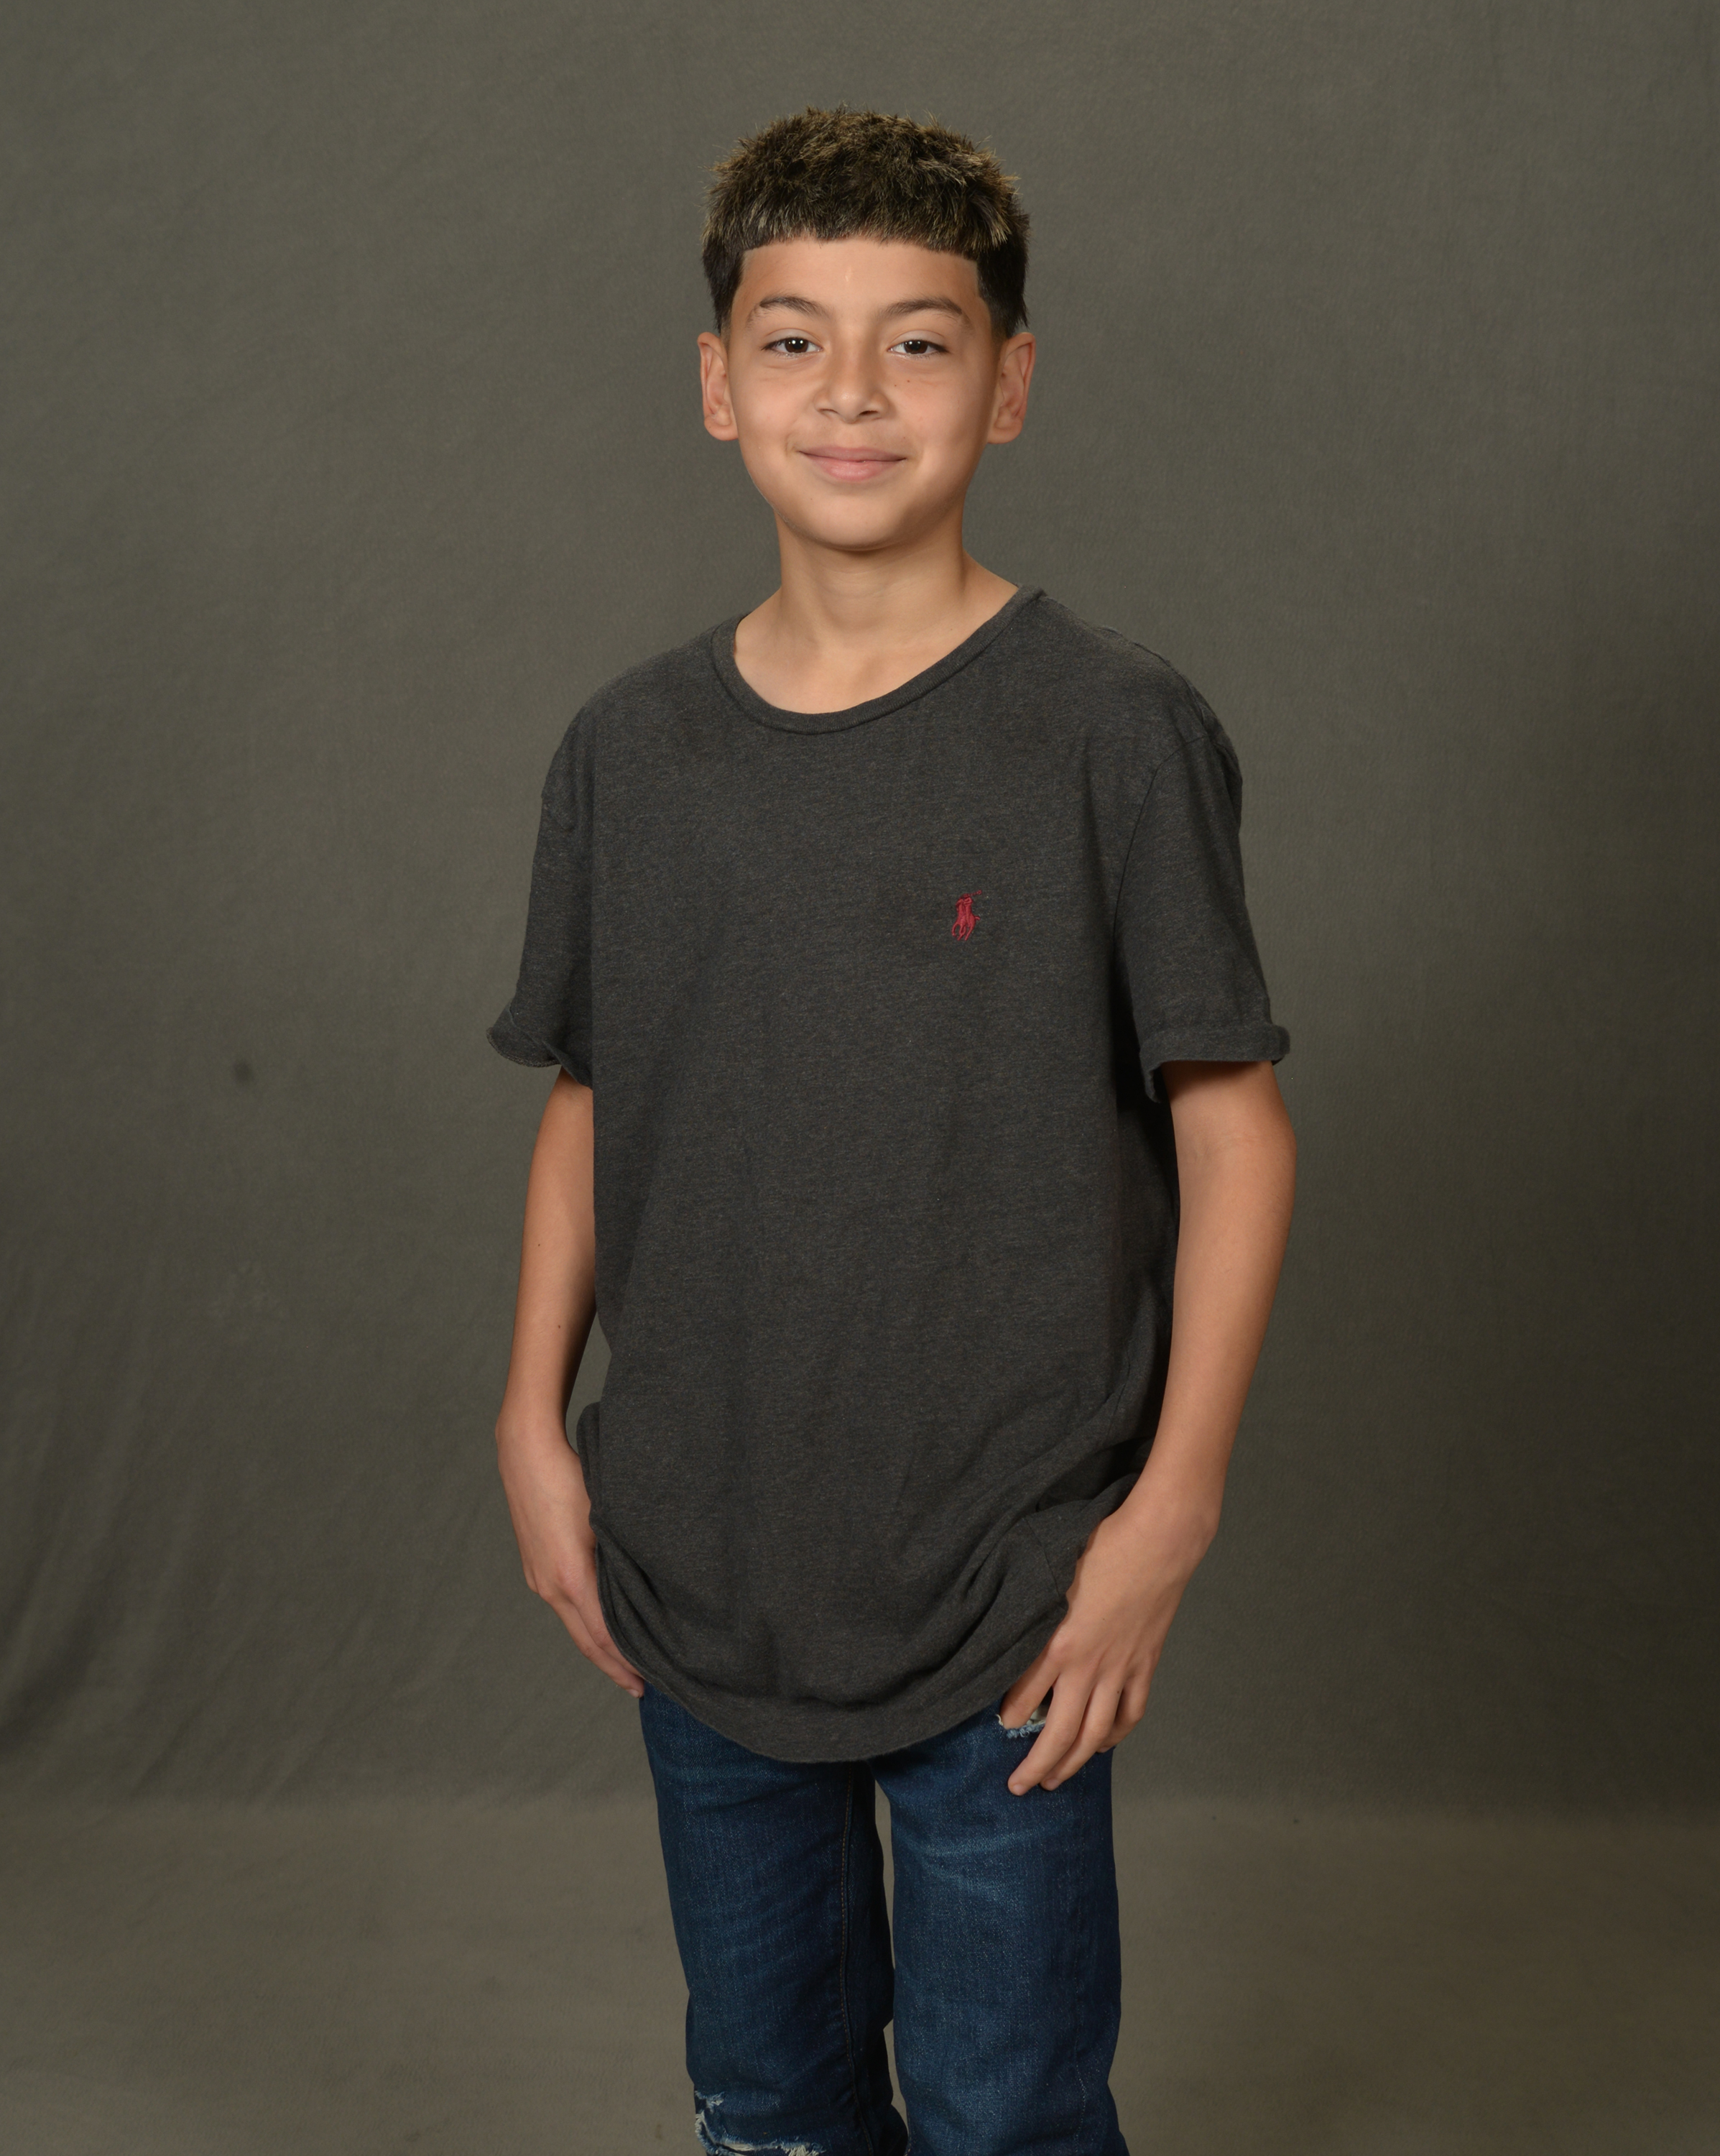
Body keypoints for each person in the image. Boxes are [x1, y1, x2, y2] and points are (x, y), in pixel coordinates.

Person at [488, 103, 1295, 2156]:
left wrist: (1168, 1514)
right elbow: (597, 1092)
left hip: (1010, 1587)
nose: (851, 392)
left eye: (918, 341)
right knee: (768, 2100)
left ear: (1007, 385)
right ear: (717, 383)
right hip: (701, 1569)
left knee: (1008, 2111)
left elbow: (1235, 1132)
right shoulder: (626, 753)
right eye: (795, 339)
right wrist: (528, 1417)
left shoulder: (1111, 730)